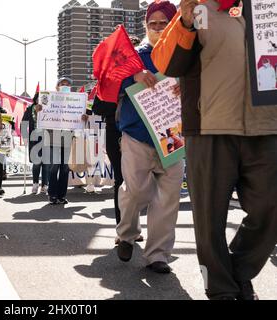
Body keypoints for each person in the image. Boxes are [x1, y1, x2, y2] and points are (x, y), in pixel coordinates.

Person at [152, 0, 277, 299]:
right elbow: (166, 63)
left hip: (266, 126)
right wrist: (184, 23)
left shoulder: (268, 7)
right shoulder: (198, 7)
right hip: (209, 128)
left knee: (269, 208)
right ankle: (222, 289)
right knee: (210, 218)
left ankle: (240, 273)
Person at [116, 1, 184, 275]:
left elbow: (203, 78)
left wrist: (187, 85)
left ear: (172, 26)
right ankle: (127, 233)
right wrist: (134, 74)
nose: (157, 28)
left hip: (173, 136)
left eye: (163, 23)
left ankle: (158, 254)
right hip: (137, 134)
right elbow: (110, 79)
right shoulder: (134, 55)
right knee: (136, 191)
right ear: (145, 25)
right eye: (152, 23)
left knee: (168, 197)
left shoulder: (184, 53)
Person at [36, 78, 88, 205]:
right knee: (54, 167)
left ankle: (62, 195)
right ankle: (52, 194)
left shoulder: (76, 101)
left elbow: (80, 120)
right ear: (57, 87)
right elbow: (39, 118)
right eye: (62, 84)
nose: (65, 86)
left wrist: (84, 118)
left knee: (65, 168)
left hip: (68, 137)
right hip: (53, 138)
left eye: (67, 84)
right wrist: (37, 111)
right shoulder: (49, 100)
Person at [22, 90, 49, 194]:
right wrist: (24, 137)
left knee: (46, 163)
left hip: (47, 138)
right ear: (35, 99)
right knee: (36, 163)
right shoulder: (30, 109)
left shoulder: (49, 109)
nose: (40, 100)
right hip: (34, 138)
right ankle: (35, 184)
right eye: (39, 98)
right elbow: (24, 123)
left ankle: (45, 185)